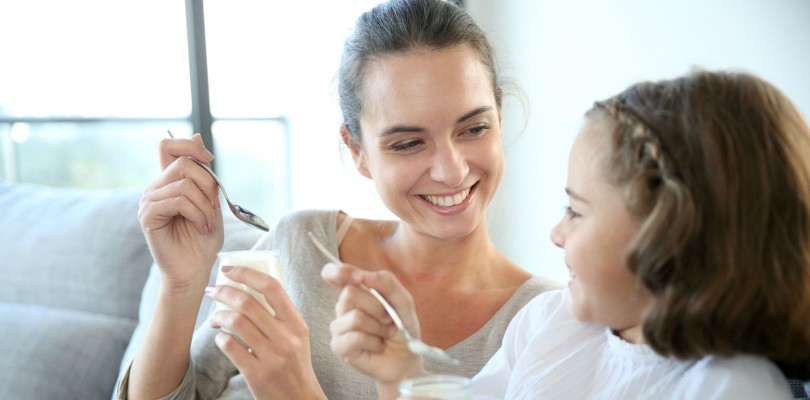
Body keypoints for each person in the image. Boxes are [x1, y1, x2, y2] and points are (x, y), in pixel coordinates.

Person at [117, 0, 560, 399]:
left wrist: (294, 389)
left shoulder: (547, 321)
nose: (452, 170)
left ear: (499, 117)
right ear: (357, 151)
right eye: (408, 143)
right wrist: (181, 283)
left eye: (474, 128)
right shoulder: (300, 243)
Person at [324, 69, 810, 399]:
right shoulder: (549, 323)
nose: (556, 233)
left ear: (671, 236)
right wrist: (405, 371)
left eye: (576, 211)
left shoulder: (730, 387)